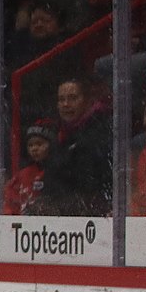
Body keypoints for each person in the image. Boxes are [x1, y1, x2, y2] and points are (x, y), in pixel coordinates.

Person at [38, 77, 111, 217]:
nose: (66, 104)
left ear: (86, 100)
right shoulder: (58, 136)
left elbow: (90, 184)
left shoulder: (98, 132)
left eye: (72, 98)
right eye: (61, 99)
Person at [4, 122, 52, 216]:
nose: (34, 148)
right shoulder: (22, 175)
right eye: (30, 145)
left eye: (39, 144)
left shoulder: (58, 172)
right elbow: (10, 202)